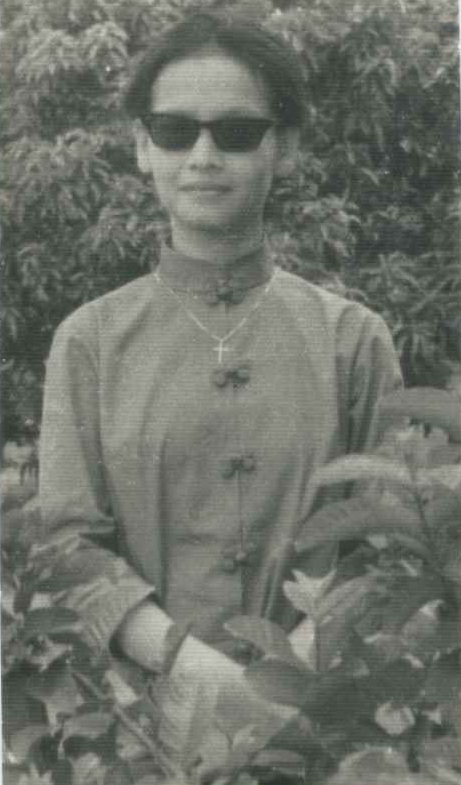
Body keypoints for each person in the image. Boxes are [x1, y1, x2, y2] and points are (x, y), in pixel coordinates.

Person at [39, 8, 402, 764]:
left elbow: (390, 542)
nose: (203, 156)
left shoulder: (352, 339)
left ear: (285, 147)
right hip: (141, 735)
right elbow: (69, 544)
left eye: (236, 131)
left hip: (320, 731)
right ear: (143, 147)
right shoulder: (90, 341)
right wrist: (191, 667)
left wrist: (289, 677)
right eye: (175, 130)